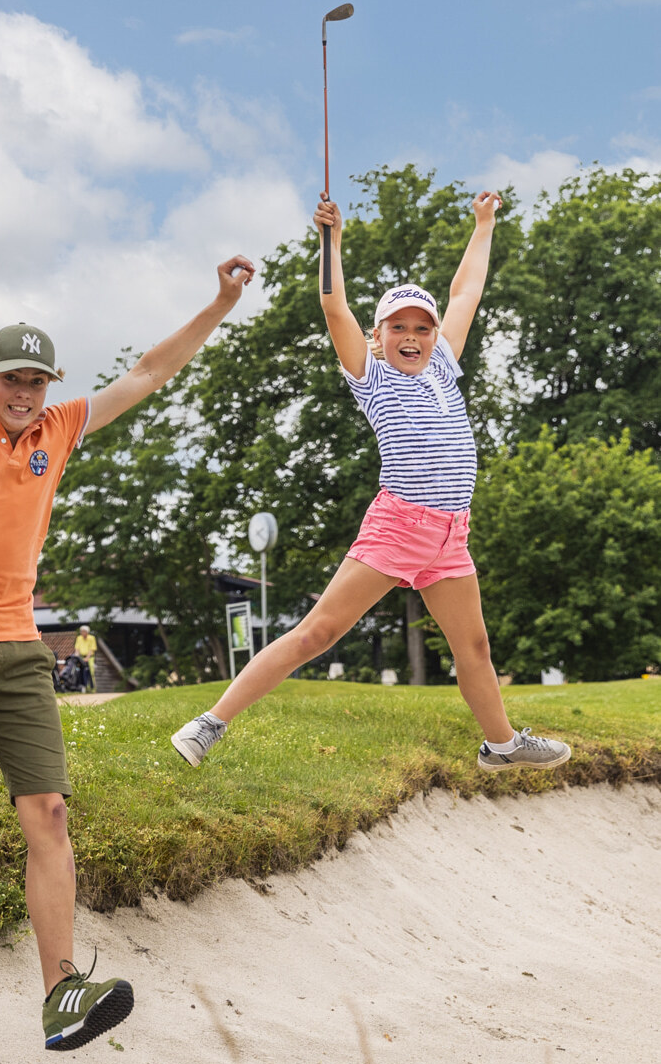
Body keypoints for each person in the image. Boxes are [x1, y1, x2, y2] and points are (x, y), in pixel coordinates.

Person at [0, 186, 255, 1050]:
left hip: (16, 647)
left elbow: (148, 374)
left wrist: (219, 304)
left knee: (47, 813)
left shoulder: (60, 429)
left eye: (38, 381)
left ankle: (60, 993)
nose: (26, 393)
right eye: (13, 379)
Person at [171, 193, 572, 774]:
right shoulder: (371, 376)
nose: (412, 335)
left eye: (422, 327)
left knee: (475, 648)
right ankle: (210, 723)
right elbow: (333, 304)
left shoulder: (443, 363)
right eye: (398, 326)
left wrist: (483, 225)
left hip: (450, 535)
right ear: (378, 334)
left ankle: (501, 745)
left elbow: (466, 292)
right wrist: (330, 239)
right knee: (318, 634)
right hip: (399, 525)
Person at [72, 623, 98, 691]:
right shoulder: (79, 638)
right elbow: (77, 648)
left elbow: (92, 649)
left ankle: (92, 688)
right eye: (81, 631)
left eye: (83, 631)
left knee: (91, 672)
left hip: (90, 657)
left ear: (87, 632)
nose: (82, 633)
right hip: (81, 657)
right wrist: (76, 656)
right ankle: (85, 687)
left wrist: (87, 657)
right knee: (81, 672)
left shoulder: (91, 638)